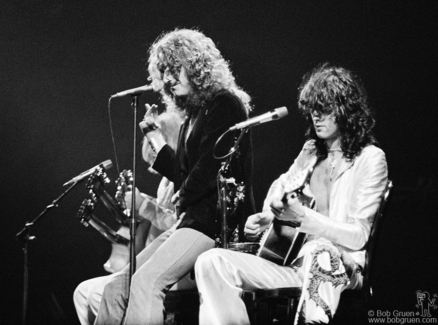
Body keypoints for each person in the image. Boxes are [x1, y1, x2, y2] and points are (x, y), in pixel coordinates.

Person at [195, 63, 388, 325]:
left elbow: (358, 235)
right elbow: (281, 187)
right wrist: (268, 215)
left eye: (324, 109)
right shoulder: (311, 152)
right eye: (312, 110)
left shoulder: (370, 159)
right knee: (211, 261)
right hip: (292, 263)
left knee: (321, 252)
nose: (316, 117)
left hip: (341, 267)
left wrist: (302, 217)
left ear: (346, 111)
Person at [94, 28, 255, 325]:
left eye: (174, 68)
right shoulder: (192, 116)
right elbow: (183, 174)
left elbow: (208, 171)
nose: (168, 78)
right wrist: (154, 136)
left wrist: (183, 195)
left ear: (196, 66)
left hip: (212, 225)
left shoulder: (225, 104)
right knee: (116, 288)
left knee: (147, 284)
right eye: (163, 71)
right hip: (189, 222)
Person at [73, 109, 187, 325]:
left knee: (101, 293)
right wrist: (141, 203)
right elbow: (160, 216)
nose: (151, 157)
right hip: (153, 259)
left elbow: (179, 222)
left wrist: (143, 205)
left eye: (154, 148)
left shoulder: (180, 179)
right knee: (82, 292)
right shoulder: (165, 183)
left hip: (175, 266)